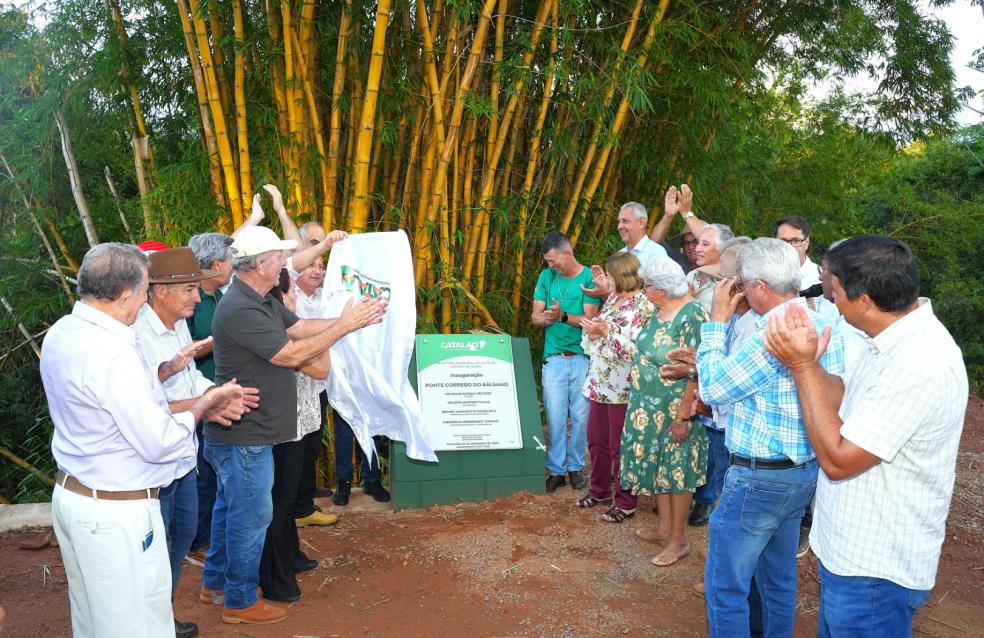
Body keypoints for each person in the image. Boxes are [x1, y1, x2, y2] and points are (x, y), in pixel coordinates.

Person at [763, 235, 968, 638]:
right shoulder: (890, 341)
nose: (830, 301)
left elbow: (839, 461)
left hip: (876, 568)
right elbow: (845, 400)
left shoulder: (918, 365)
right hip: (856, 555)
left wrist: (803, 369)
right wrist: (813, 367)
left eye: (834, 292)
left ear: (865, 301)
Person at [41, 243, 248, 638]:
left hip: (76, 494)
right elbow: (159, 442)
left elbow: (105, 403)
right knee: (135, 625)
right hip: (117, 510)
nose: (144, 301)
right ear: (124, 295)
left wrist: (169, 374)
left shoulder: (64, 331)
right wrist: (203, 406)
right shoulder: (114, 351)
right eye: (144, 290)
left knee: (93, 619)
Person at [202, 225, 387, 624]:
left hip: (249, 432)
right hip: (244, 434)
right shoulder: (241, 308)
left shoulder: (260, 298)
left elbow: (300, 328)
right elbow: (288, 355)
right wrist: (345, 327)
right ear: (261, 264)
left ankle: (214, 583)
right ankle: (238, 601)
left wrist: (352, 318)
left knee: (230, 511)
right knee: (250, 519)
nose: (283, 262)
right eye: (277, 257)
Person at [697, 238, 844, 638]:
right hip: (801, 473)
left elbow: (711, 390)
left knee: (726, 586)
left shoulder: (771, 333)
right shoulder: (821, 322)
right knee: (777, 581)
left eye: (742, 284)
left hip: (758, 479)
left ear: (760, 286)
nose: (739, 291)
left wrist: (714, 324)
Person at [133, 246, 260, 638]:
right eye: (188, 289)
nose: (196, 296)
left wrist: (217, 393)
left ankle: (162, 614)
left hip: (183, 458)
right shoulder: (137, 334)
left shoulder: (179, 323)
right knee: (154, 550)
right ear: (159, 290)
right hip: (152, 467)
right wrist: (210, 404)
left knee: (182, 537)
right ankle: (148, 623)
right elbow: (150, 406)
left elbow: (189, 383)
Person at [621, 257, 708, 566]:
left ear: (661, 289)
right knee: (660, 469)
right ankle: (663, 529)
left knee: (676, 473)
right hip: (647, 406)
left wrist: (685, 416)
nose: (643, 291)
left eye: (646, 286)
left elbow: (698, 370)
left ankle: (678, 540)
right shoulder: (659, 309)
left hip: (673, 410)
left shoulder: (692, 315)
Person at [576, 252, 654, 523]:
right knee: (597, 441)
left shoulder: (644, 306)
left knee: (621, 445)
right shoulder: (613, 299)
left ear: (621, 276)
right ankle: (599, 490)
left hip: (624, 386)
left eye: (609, 276)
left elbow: (639, 351)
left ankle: (626, 500)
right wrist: (592, 329)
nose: (606, 281)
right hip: (600, 382)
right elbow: (600, 335)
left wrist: (606, 333)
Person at [682, 238, 754, 527]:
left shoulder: (753, 327)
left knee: (729, 490)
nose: (718, 289)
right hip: (718, 417)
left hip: (734, 425)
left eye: (723, 281)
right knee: (713, 462)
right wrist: (694, 361)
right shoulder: (735, 320)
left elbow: (722, 382)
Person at [531, 231, 601, 492]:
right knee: (556, 416)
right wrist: (546, 318)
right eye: (547, 261)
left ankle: (575, 466)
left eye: (552, 260)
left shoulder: (588, 278)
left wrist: (561, 316)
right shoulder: (546, 277)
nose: (550, 266)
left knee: (581, 416)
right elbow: (535, 317)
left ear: (567, 253)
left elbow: (589, 319)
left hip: (582, 357)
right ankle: (557, 469)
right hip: (554, 358)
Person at [185, 232, 235, 566]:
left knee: (216, 474)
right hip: (195, 398)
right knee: (203, 473)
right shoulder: (190, 301)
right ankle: (197, 541)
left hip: (218, 395)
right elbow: (179, 353)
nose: (232, 266)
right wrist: (218, 340)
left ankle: (210, 536)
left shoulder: (218, 296)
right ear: (216, 264)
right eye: (230, 260)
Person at [582, 202, 667, 298]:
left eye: (625, 221)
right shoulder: (620, 254)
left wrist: (609, 292)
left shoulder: (656, 253)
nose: (619, 226)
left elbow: (660, 295)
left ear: (641, 223)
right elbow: (615, 295)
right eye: (619, 222)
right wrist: (606, 285)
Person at [774, 215, 821, 292]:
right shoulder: (763, 279)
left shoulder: (821, 280)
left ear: (806, 243)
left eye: (795, 241)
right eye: (782, 241)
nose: (789, 247)